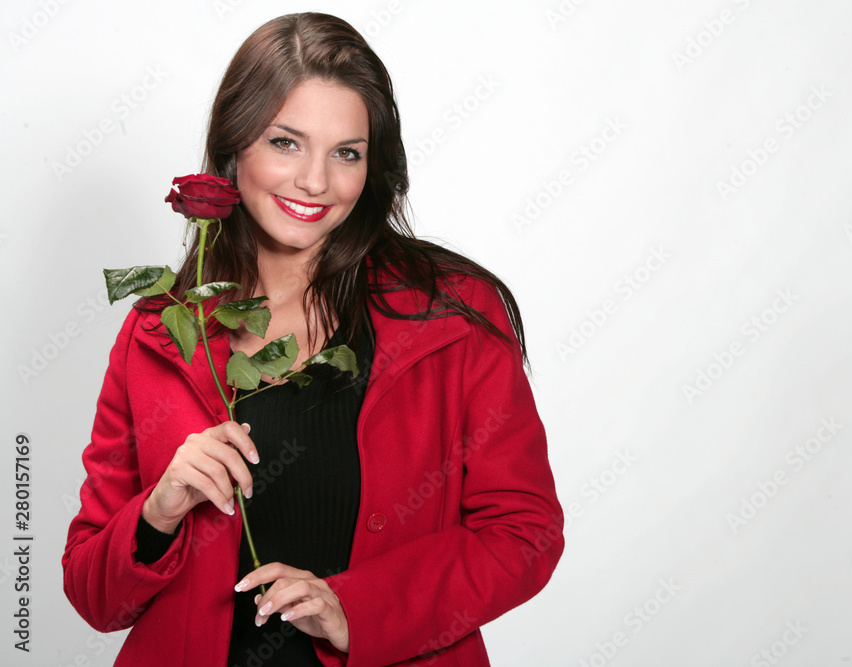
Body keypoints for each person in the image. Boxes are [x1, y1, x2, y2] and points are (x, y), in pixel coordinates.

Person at [62, 13, 563, 667]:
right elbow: (93, 595)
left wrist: (358, 608)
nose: (316, 182)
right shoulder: (160, 332)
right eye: (286, 143)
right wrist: (158, 511)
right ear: (233, 147)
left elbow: (522, 533)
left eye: (346, 153)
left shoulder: (452, 316)